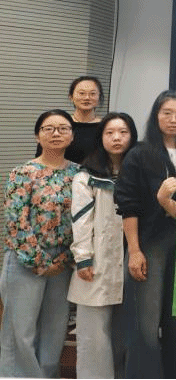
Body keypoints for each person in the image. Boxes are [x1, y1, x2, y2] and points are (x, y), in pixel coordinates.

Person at [115, 90, 176, 379]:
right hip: (150, 243)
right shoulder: (140, 153)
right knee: (145, 327)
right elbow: (128, 205)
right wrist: (134, 250)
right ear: (156, 116)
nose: (173, 119)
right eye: (167, 113)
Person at [0, 110, 78, 378]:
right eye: (48, 128)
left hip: (62, 262)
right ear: (37, 135)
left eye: (63, 128)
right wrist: (40, 262)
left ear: (72, 136)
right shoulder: (22, 173)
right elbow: (16, 221)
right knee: (20, 331)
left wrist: (64, 259)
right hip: (25, 260)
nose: (56, 133)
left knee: (54, 330)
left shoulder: (79, 174)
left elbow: (83, 221)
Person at [68, 112, 138, 379]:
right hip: (97, 260)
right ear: (101, 138)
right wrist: (83, 258)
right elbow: (81, 221)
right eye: (110, 133)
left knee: (126, 333)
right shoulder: (85, 176)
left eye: (123, 132)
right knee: (93, 335)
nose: (117, 138)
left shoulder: (140, 172)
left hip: (132, 258)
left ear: (132, 136)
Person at [64, 75, 105, 164]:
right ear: (71, 97)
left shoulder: (106, 127)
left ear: (99, 98)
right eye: (82, 93)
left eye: (92, 94)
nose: (87, 98)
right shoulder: (61, 125)